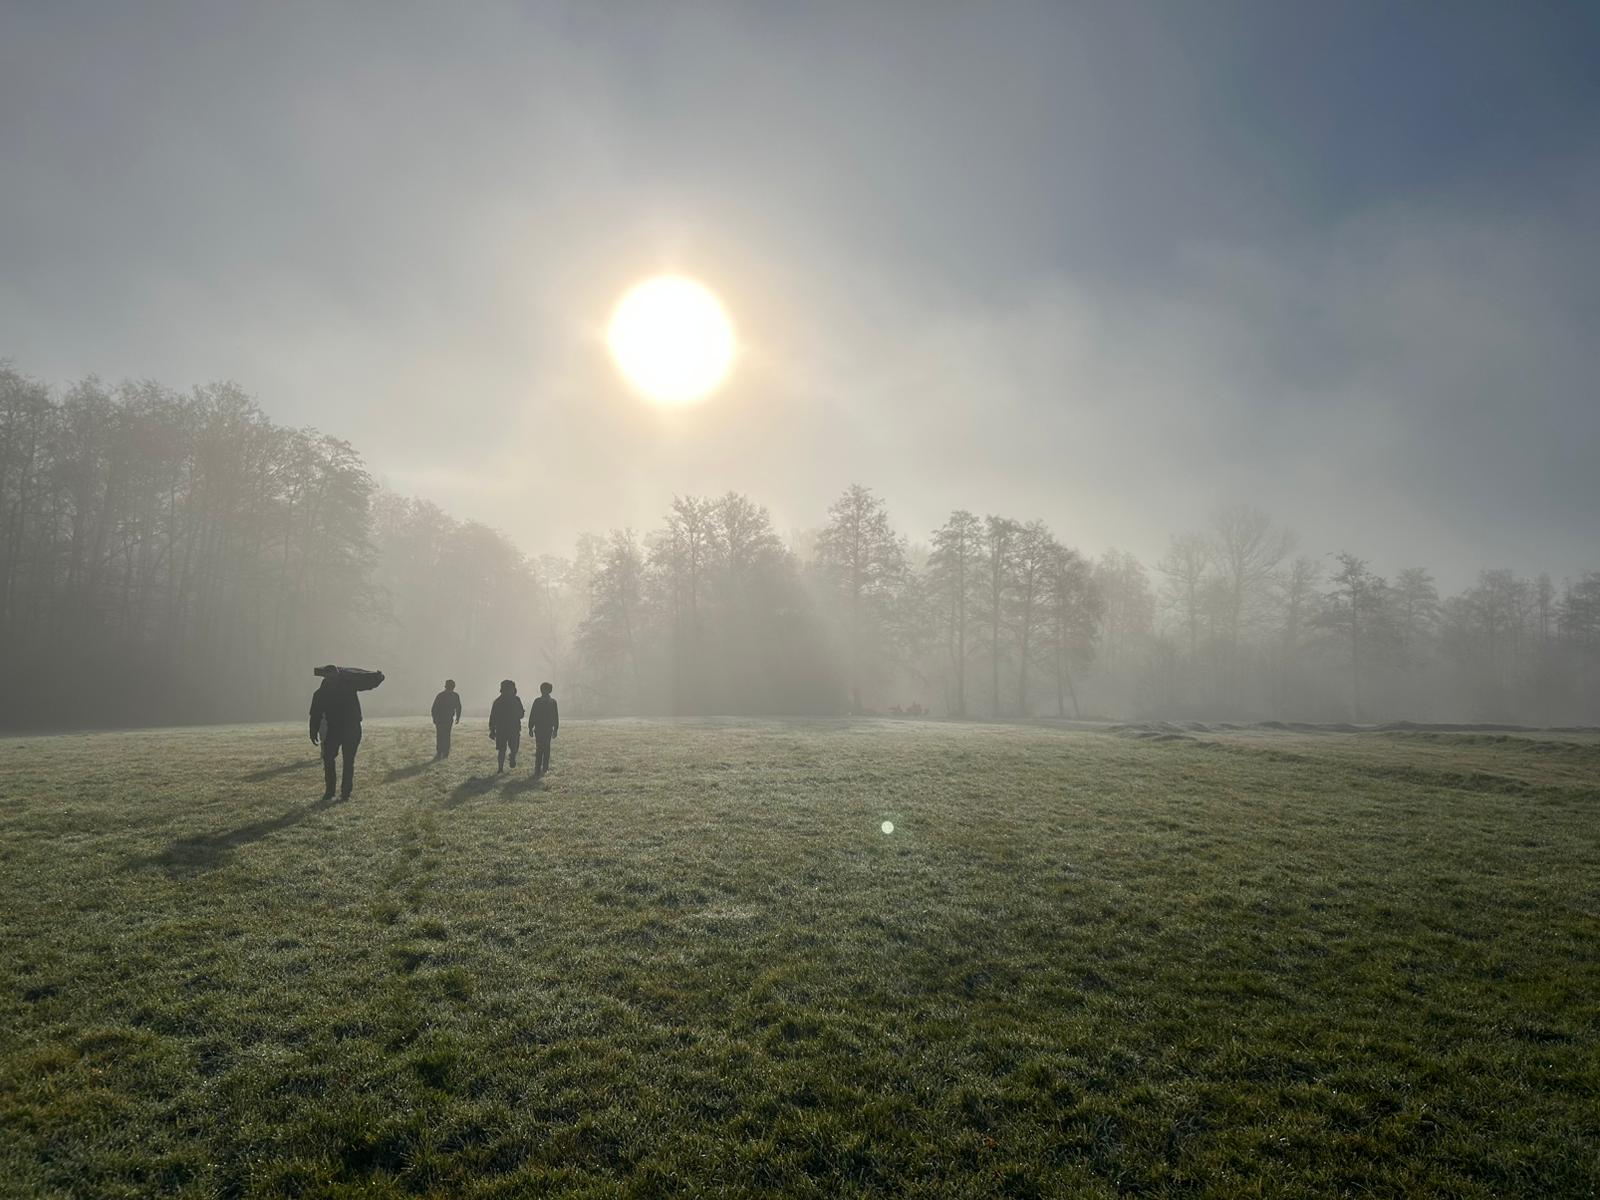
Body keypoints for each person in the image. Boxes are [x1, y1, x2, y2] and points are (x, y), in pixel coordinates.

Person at [310, 665, 385, 801]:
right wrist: (313, 730)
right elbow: (315, 714)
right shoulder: (339, 688)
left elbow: (315, 714)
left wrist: (378, 678)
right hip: (341, 729)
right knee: (334, 759)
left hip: (349, 728)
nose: (332, 680)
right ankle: (334, 792)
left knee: (344, 760)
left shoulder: (333, 689)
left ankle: (341, 792)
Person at [488, 679, 524, 772]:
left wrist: (492, 730)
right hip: (509, 728)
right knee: (507, 748)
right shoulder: (515, 700)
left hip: (506, 729)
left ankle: (504, 764)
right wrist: (492, 730)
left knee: (507, 749)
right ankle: (504, 765)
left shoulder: (499, 701)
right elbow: (493, 716)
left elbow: (493, 717)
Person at [528, 681, 558, 775]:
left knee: (543, 748)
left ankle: (541, 768)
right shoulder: (552, 702)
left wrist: (530, 727)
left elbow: (555, 716)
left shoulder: (539, 701)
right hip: (543, 729)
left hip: (543, 728)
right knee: (543, 748)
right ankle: (542, 768)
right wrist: (530, 727)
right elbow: (533, 715)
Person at [431, 679, 462, 759]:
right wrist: (457, 717)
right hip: (448, 719)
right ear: (453, 687)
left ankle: (439, 752)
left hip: (440, 719)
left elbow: (434, 708)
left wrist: (434, 718)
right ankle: (445, 752)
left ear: (446, 686)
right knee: (447, 735)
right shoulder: (455, 696)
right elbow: (458, 707)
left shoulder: (440, 695)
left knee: (440, 735)